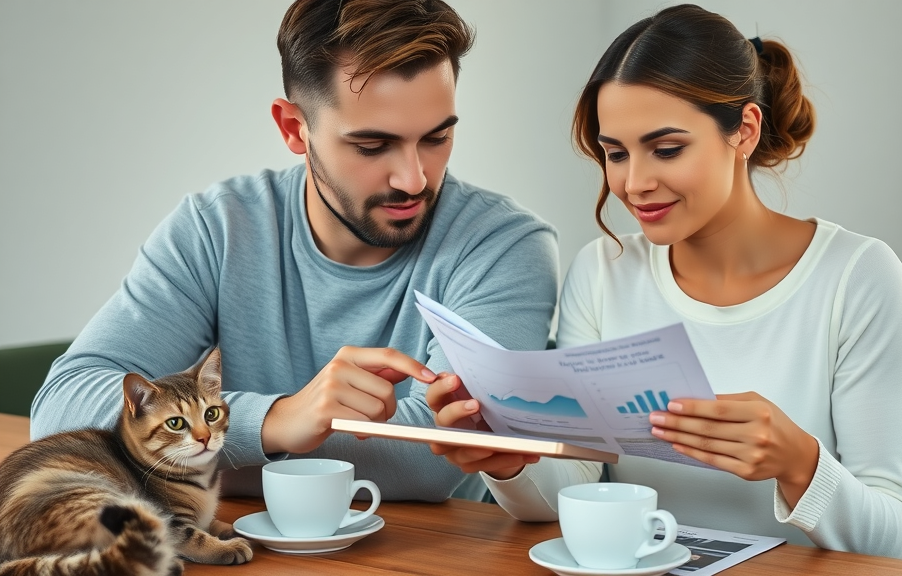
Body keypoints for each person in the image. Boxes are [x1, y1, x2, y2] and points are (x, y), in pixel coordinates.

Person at [427, 3, 902, 559]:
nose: (635, 183)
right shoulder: (602, 272)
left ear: (745, 131)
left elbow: (897, 542)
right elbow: (572, 485)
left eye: (666, 150)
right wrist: (508, 458)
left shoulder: (857, 277)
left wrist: (799, 463)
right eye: (616, 154)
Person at [31, 0, 558, 503]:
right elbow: (60, 412)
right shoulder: (216, 229)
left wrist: (198, 456)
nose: (413, 179)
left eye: (436, 138)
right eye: (372, 146)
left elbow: (434, 459)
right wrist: (277, 420)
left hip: (426, 551)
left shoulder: (504, 246)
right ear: (294, 128)